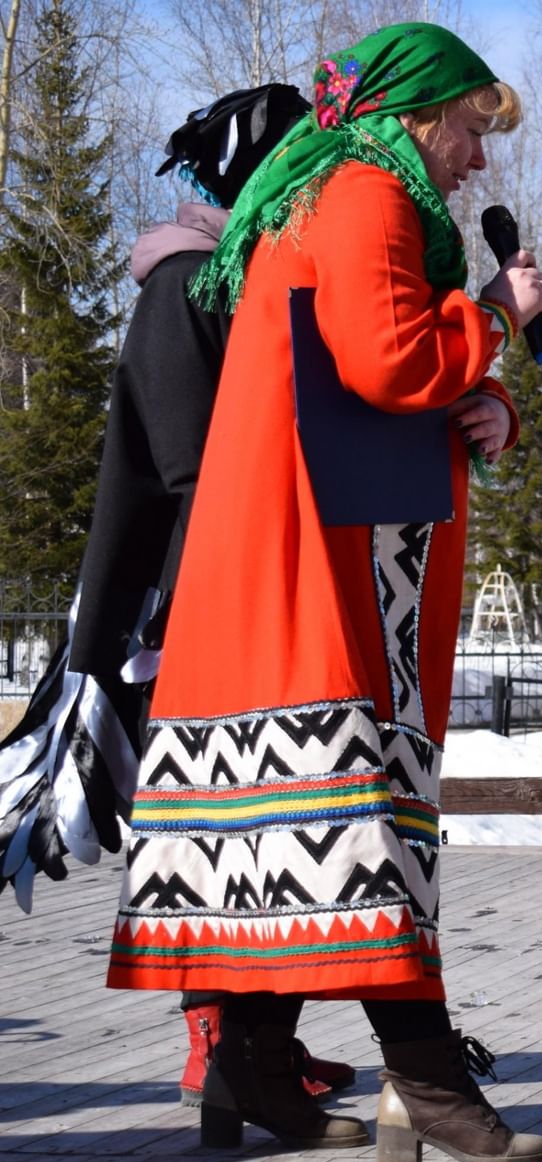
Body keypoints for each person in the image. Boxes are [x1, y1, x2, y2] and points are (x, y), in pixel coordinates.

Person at [105, 23, 542, 1162]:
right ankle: (428, 1080)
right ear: (416, 115)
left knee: (302, 816)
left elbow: (372, 375)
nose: (478, 160)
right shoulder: (364, 189)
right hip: (319, 566)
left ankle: (255, 1057)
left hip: (312, 551)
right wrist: (497, 311)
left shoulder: (343, 188)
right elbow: (389, 362)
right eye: (469, 130)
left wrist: (485, 405)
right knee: (348, 811)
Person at [0, 86, 361, 1105]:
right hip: (189, 602)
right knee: (213, 827)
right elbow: (193, 466)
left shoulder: (234, 280)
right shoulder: (186, 284)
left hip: (233, 588)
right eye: (301, 174)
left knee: (249, 825)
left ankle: (250, 1045)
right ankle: (218, 1046)